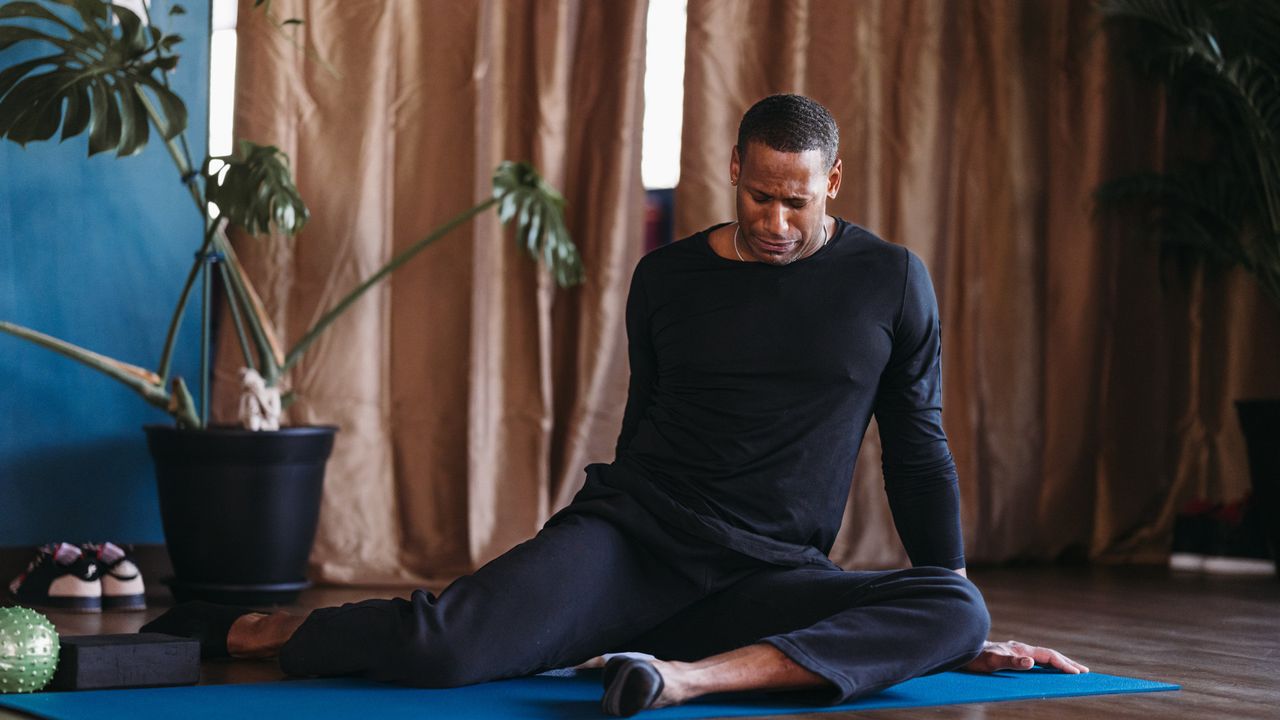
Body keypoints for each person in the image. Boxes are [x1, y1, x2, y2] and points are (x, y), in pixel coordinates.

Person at [144, 94, 1086, 717]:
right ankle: (243, 626)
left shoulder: (891, 280)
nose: (774, 221)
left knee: (956, 607)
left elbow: (917, 450)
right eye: (760, 196)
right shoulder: (668, 278)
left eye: (796, 203)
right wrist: (576, 568)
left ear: (831, 183)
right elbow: (644, 432)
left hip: (768, 577)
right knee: (441, 649)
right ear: (734, 169)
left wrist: (950, 607)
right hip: (637, 543)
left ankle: (678, 681)